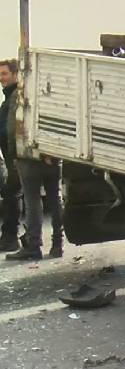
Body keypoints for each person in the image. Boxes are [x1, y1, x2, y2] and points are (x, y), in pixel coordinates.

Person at [5, 64, 63, 261]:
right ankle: (57, 245)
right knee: (55, 199)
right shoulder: (51, 92)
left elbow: (13, 128)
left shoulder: (19, 94)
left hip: (28, 157)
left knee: (33, 202)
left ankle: (34, 246)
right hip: (51, 156)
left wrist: (14, 156)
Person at [0, 59, 20, 252]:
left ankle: (10, 238)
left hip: (15, 157)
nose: (1, 78)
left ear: (15, 74)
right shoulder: (9, 96)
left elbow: (11, 130)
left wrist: (13, 156)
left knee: (11, 193)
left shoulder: (15, 96)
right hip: (11, 156)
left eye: (4, 74)